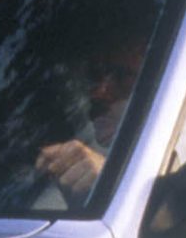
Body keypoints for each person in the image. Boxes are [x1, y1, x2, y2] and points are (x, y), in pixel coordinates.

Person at [34, 36, 145, 203]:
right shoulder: (61, 156)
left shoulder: (160, 165)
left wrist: (109, 183)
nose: (99, 93)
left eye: (124, 80)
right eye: (95, 74)